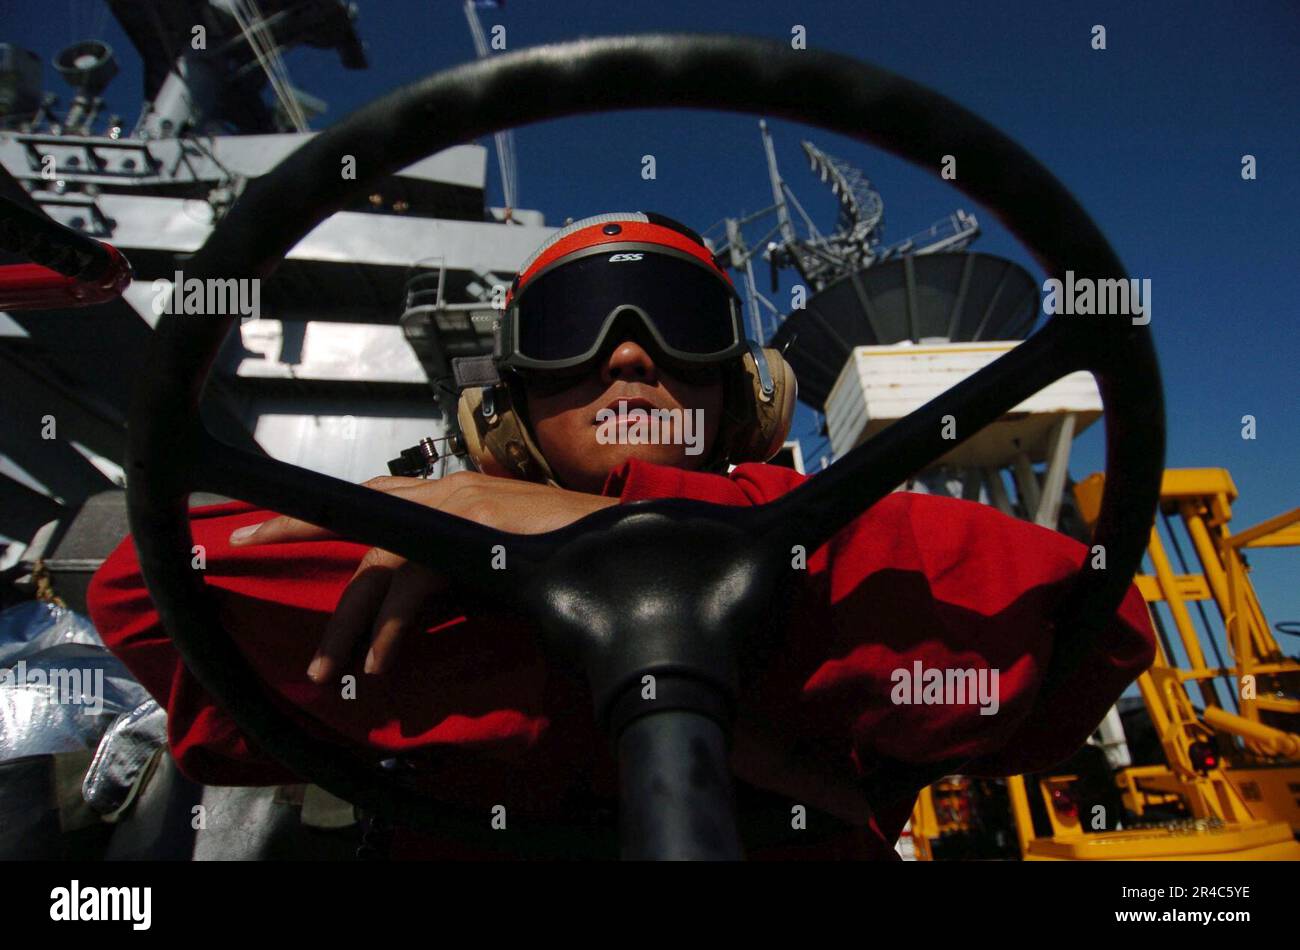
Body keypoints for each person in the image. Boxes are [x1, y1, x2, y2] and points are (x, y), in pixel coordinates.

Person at [87, 211, 1156, 860]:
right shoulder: (421, 528)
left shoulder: (440, 549)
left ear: (742, 393)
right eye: (571, 331)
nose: (629, 358)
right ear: (504, 407)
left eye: (677, 323)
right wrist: (747, 674)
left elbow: (1085, 626)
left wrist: (565, 546)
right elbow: (148, 588)